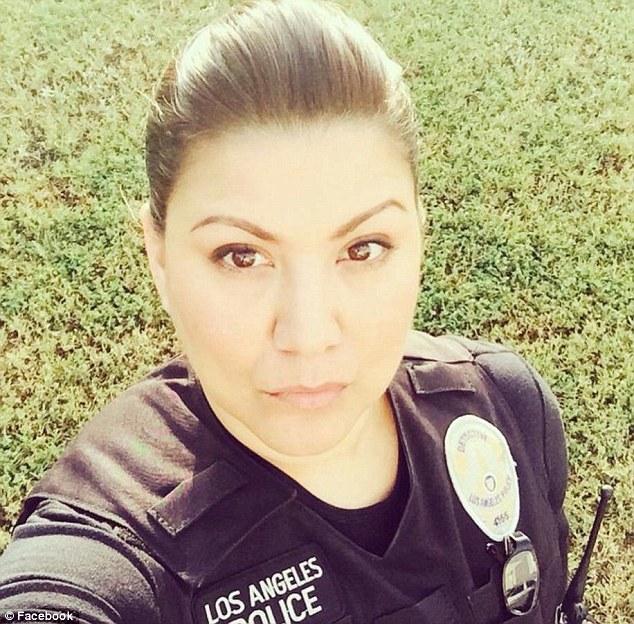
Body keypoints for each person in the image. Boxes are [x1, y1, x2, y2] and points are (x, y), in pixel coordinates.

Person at [0, 1, 570, 622]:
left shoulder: (505, 409)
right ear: (159, 256)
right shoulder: (115, 546)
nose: (308, 334)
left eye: (364, 248)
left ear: (419, 238)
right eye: (241, 256)